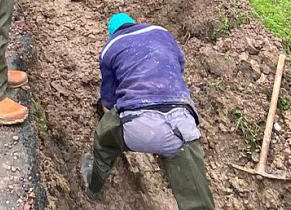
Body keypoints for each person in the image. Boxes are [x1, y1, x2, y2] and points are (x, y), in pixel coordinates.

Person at [80, 13, 215, 210]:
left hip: (137, 125)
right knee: (198, 199)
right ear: (134, 22)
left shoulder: (110, 47)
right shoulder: (161, 32)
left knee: (104, 139)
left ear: (112, 32)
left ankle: (93, 186)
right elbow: (179, 62)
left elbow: (109, 97)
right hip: (181, 125)